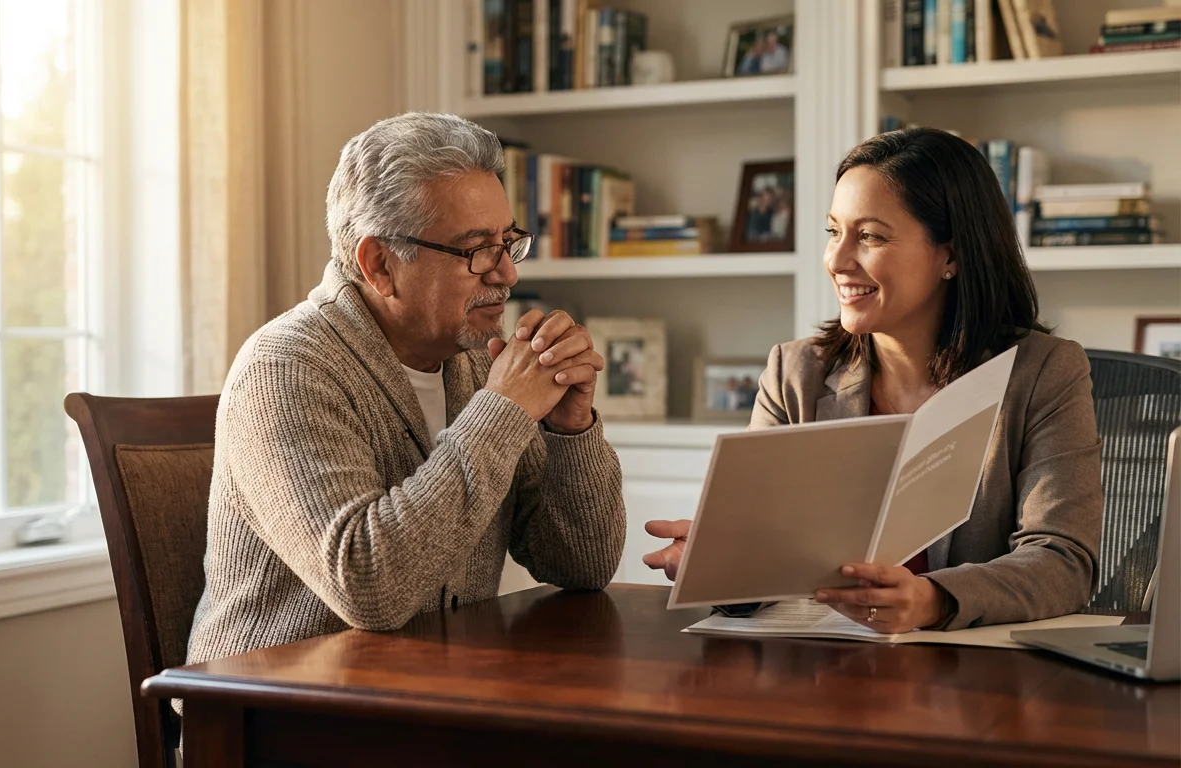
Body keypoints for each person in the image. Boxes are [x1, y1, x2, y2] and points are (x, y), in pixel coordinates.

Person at [186, 112, 628, 676]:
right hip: (276, 705)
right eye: (476, 250)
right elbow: (370, 587)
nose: (507, 275)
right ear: (380, 264)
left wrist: (571, 428)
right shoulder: (284, 368)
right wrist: (504, 412)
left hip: (429, 690)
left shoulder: (476, 362)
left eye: (507, 243)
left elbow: (582, 565)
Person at [644, 127, 1103, 634]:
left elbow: (1062, 560)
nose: (837, 261)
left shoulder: (1044, 372)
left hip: (974, 667)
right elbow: (766, 558)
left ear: (951, 255)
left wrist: (933, 600)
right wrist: (724, 565)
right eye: (833, 232)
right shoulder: (794, 374)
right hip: (827, 660)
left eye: (869, 237)